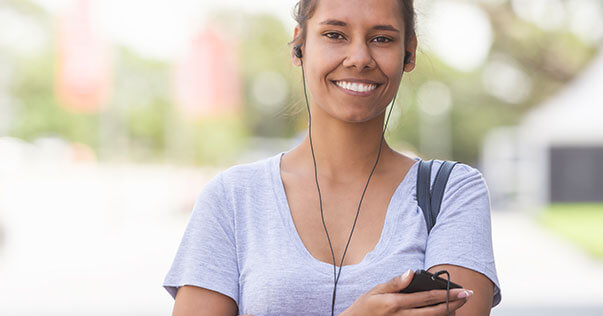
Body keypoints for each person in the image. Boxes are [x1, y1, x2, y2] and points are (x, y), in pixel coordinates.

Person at [163, 0, 501, 315]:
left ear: (408, 53)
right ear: (300, 46)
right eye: (335, 35)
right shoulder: (232, 198)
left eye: (382, 38)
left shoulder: (452, 192)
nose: (359, 57)